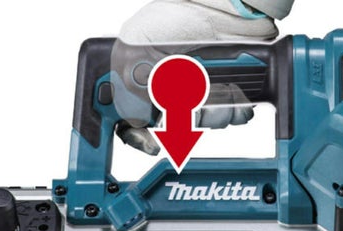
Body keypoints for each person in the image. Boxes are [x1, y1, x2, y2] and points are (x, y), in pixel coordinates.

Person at [117, 0, 295, 155]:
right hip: (246, 13)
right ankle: (145, 115)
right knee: (136, 45)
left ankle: (141, 115)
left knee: (137, 39)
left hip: (235, 10)